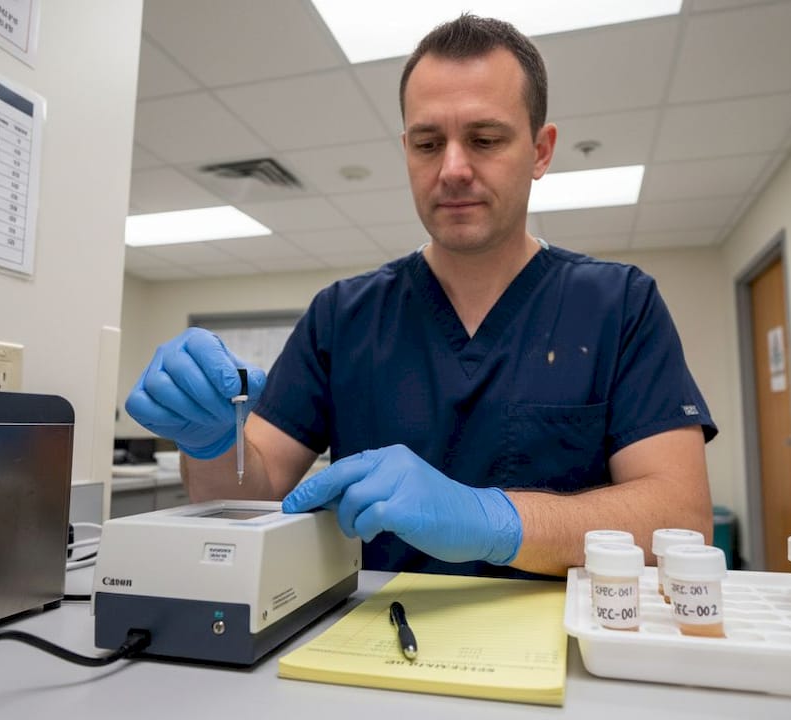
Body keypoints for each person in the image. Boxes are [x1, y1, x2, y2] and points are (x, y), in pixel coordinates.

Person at [125, 14, 717, 580]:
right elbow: (248, 498)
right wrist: (211, 443)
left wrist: (494, 519)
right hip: (373, 632)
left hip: (559, 639)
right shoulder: (342, 317)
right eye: (429, 144)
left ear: (541, 150)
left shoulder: (619, 305)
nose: (453, 168)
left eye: (485, 139)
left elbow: (681, 520)